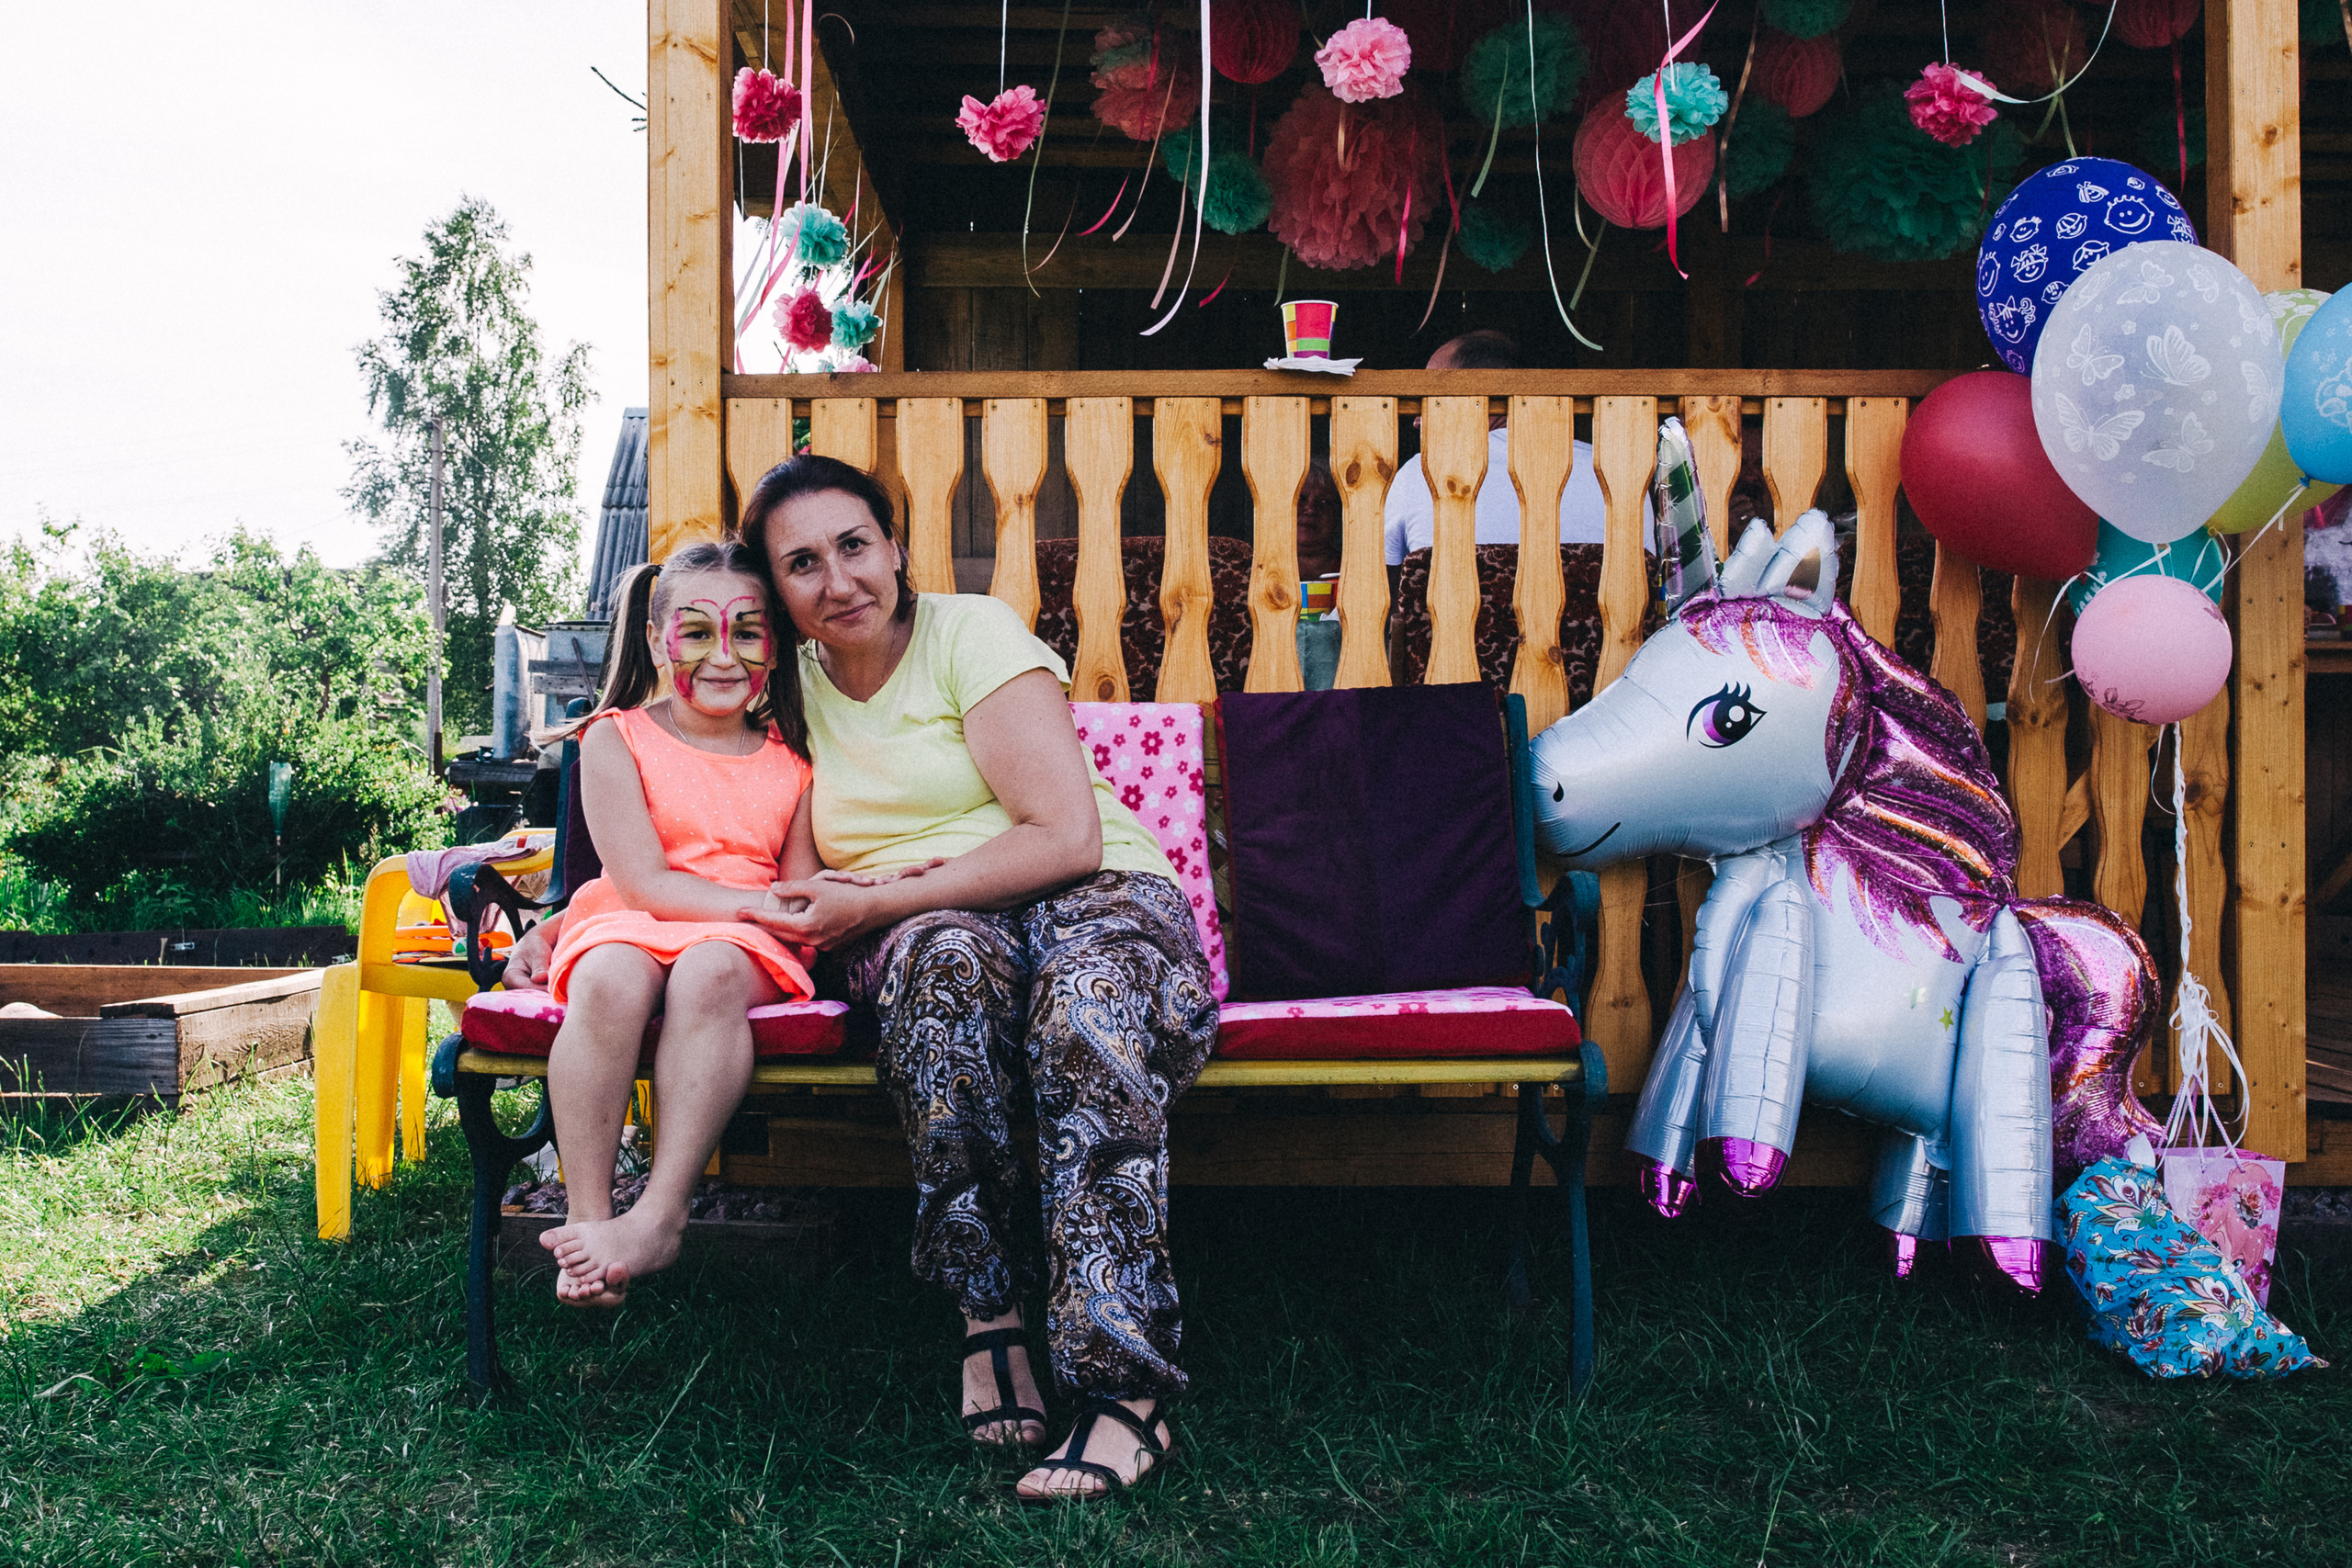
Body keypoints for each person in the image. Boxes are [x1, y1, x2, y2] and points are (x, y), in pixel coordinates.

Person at [734, 454, 1216, 1501]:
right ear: (776, 591)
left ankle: (1124, 1391)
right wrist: (590, 920)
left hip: (1091, 892)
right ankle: (988, 1316)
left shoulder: (969, 634)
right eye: (802, 564)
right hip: (925, 924)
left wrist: (879, 900)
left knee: (1084, 1008)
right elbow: (783, 869)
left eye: (854, 545)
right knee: (942, 973)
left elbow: (1066, 835)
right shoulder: (791, 693)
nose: (838, 580)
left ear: (896, 548)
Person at [529, 541, 822, 1309]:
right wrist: (557, 931)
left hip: (740, 935)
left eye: (747, 631)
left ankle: (660, 1215)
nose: (723, 655)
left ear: (776, 644)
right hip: (639, 912)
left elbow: (794, 887)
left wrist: (771, 911)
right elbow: (643, 880)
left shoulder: (795, 762)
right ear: (658, 638)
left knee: (711, 970)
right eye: (697, 632)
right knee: (608, 978)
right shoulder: (614, 737)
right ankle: (590, 1221)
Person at [1380, 330, 1623, 582]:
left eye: (1431, 398)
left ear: (1477, 394)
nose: (1417, 421)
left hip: (1455, 624)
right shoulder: (1613, 471)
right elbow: (1646, 579)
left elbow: (1385, 590)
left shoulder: (1420, 472)